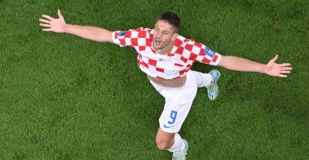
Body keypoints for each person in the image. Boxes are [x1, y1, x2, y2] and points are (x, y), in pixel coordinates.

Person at [39, 10, 292, 160]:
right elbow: (104, 35)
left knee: (162, 142)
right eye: (156, 29)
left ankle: (181, 147)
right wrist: (66, 27)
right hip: (158, 82)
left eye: (164, 33)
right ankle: (211, 79)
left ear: (175, 35)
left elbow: (226, 60)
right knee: (196, 77)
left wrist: (263, 68)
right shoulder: (141, 36)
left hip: (178, 93)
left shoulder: (189, 48)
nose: (156, 36)